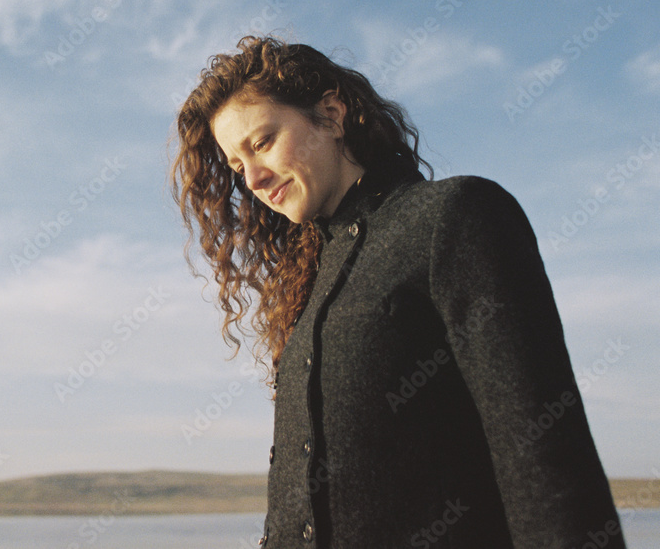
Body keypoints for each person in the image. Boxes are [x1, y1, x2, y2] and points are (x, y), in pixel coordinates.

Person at [170, 36, 625, 548]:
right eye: (237, 167)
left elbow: (542, 453)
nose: (252, 178)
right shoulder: (309, 283)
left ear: (331, 115)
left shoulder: (452, 217)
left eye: (263, 142)